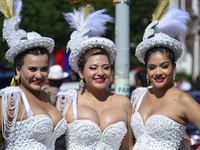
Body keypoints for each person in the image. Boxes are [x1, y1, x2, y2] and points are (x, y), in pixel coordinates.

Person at [56, 5, 133, 150]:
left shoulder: (123, 102)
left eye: (106, 67)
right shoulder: (67, 102)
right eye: (93, 68)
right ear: (80, 72)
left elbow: (128, 147)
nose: (100, 73)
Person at [130, 0, 200, 149]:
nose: (158, 72)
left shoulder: (183, 100)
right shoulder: (138, 95)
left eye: (164, 66)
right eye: (152, 67)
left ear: (174, 68)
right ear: (147, 70)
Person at [0, 0, 67, 149]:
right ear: (18, 69)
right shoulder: (11, 98)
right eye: (32, 69)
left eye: (43, 69)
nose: (39, 75)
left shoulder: (45, 96)